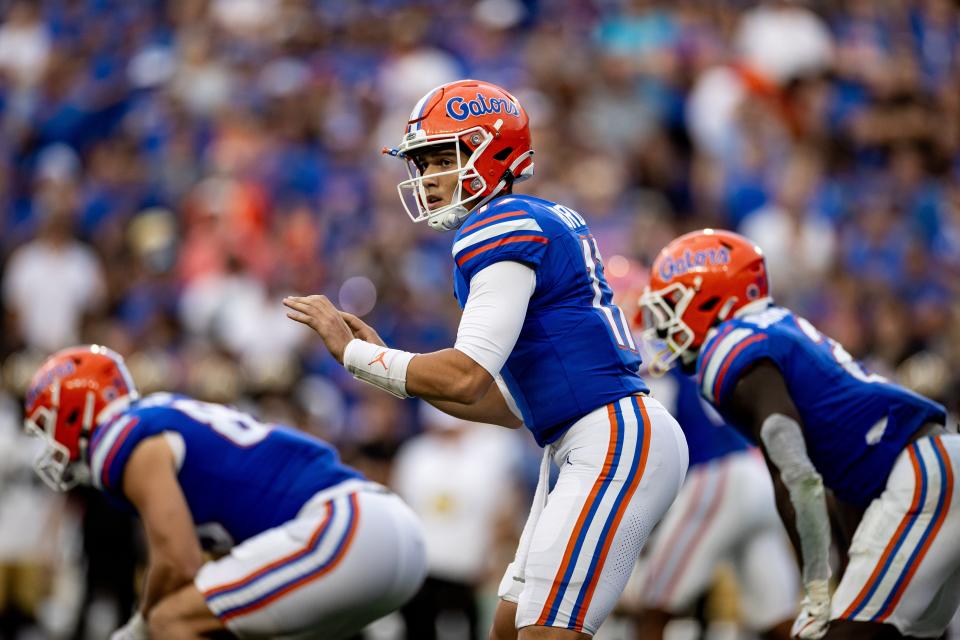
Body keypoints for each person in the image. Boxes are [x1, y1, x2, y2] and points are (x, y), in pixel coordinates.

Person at [283, 79, 688, 640]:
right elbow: (507, 405)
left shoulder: (500, 226)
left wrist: (353, 354)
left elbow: (467, 378)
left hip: (611, 437)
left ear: (490, 149)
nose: (425, 178)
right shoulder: (526, 220)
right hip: (580, 440)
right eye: (419, 165)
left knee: (548, 632)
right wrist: (381, 359)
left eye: (436, 159)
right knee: (505, 628)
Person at [638, 229, 956, 639]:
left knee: (842, 631)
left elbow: (796, 475)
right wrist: (841, 568)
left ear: (713, 298)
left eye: (672, 305)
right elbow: (844, 474)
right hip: (932, 462)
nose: (663, 326)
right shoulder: (779, 325)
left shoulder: (729, 347)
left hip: (922, 475)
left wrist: (817, 587)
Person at [23, 345, 426, 640]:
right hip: (383, 532)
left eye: (48, 423)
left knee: (171, 620)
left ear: (76, 408)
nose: (48, 442)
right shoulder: (160, 415)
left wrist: (140, 625)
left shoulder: (123, 437)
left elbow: (180, 564)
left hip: (343, 529)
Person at [631, 367, 798, 640]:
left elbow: (650, 445)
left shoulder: (661, 375)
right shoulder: (711, 366)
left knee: (652, 606)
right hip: (756, 475)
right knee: (779, 618)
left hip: (716, 475)